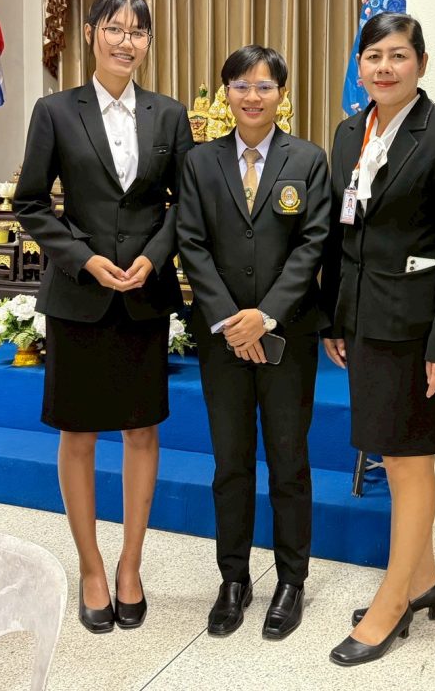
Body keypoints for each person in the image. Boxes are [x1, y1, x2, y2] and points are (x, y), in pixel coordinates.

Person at [14, 0, 194, 633]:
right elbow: (31, 202)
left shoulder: (168, 115)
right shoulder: (55, 111)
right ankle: (91, 567)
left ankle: (130, 565)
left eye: (137, 31)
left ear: (148, 43)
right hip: (78, 297)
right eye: (114, 28)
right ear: (91, 33)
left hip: (143, 297)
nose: (126, 41)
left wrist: (154, 256)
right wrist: (84, 258)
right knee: (79, 434)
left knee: (142, 431)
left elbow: (185, 203)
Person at [322, 12, 435, 667]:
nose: (384, 67)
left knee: (411, 460)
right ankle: (424, 581)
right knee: (392, 454)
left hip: (418, 330)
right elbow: (341, 236)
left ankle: (391, 603)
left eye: (398, 55)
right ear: (359, 66)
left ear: (421, 63)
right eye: (373, 56)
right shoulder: (348, 133)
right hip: (364, 321)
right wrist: (335, 317)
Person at [177, 46, 330, 641]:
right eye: (240, 85)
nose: (252, 96)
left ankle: (291, 580)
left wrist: (264, 316)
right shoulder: (200, 162)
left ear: (281, 95)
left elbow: (313, 244)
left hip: (288, 335)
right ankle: (233, 579)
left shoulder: (307, 159)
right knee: (231, 463)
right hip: (222, 341)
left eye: (264, 86)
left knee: (289, 460)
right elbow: (191, 242)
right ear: (226, 94)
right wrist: (229, 320)